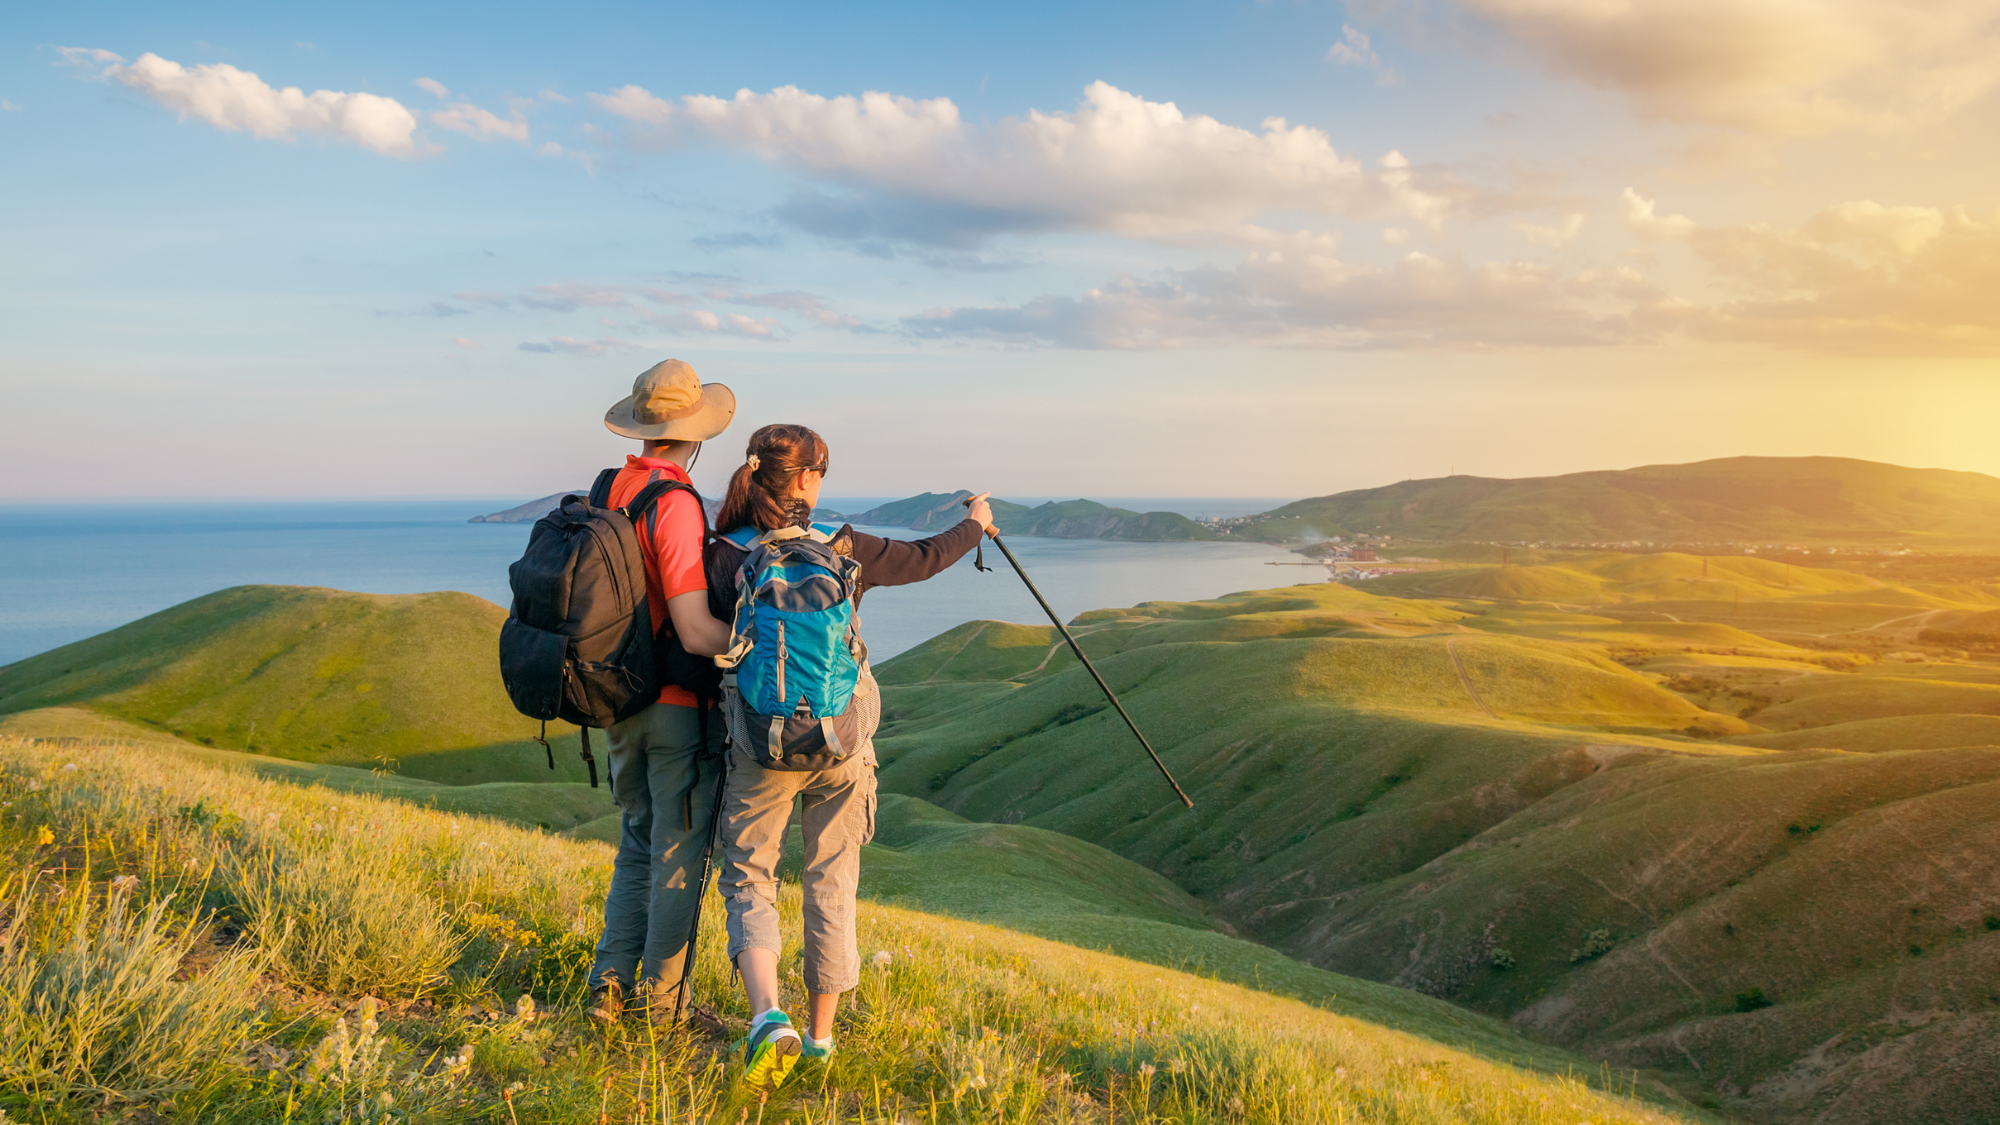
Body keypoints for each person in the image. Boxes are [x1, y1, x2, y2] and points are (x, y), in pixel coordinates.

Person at [706, 424, 996, 1091]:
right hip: (840, 739)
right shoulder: (846, 547)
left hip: (760, 741)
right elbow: (926, 556)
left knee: (750, 874)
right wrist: (976, 523)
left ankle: (765, 1018)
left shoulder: (725, 553)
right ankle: (820, 1038)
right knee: (830, 881)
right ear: (808, 479)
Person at [587, 359, 738, 1025]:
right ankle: (665, 1008)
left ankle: (609, 987)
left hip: (619, 699)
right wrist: (755, 640)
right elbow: (696, 628)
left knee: (637, 839)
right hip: (677, 709)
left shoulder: (611, 486)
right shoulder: (674, 503)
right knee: (679, 858)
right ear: (694, 434)